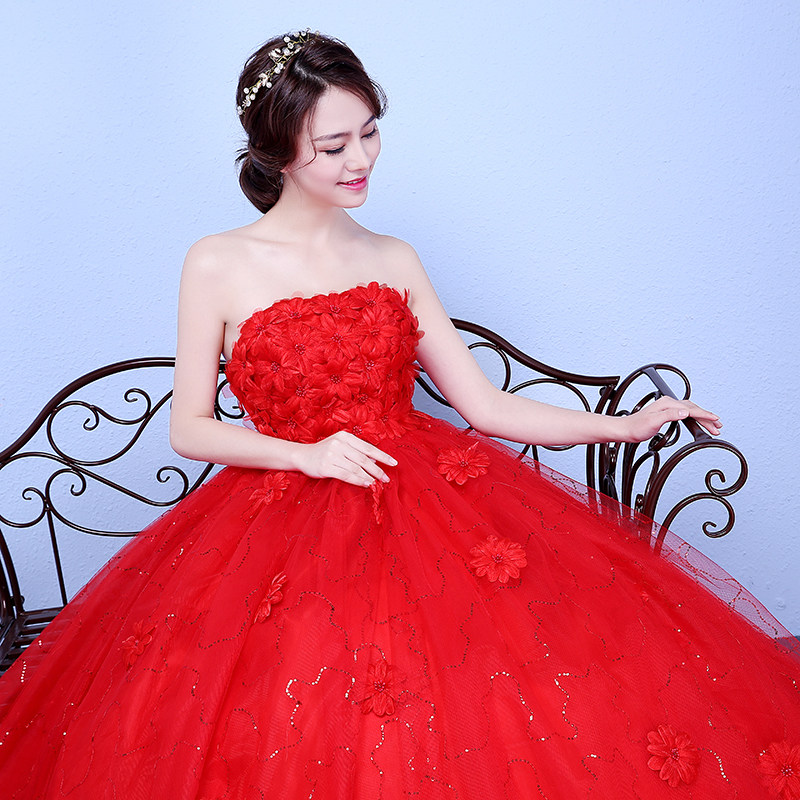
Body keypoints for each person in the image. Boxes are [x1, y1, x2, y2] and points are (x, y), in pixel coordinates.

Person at [1, 30, 799, 800]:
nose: (361, 160)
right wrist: (305, 454)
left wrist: (621, 426)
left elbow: (484, 405)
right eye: (333, 146)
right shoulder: (218, 261)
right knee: (302, 691)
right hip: (280, 519)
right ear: (277, 154)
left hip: (424, 502)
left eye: (369, 133)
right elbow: (190, 428)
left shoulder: (392, 256)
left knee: (494, 688)